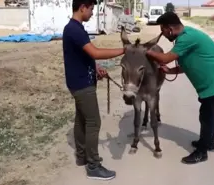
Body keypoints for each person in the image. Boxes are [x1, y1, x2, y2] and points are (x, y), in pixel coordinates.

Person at [145, 12, 214, 165]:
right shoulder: (186, 36)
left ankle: (202, 152)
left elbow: (166, 58)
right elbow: (186, 65)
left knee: (206, 116)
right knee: (209, 114)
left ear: (169, 28)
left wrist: (146, 51)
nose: (163, 34)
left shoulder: (187, 38)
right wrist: (170, 71)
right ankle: (208, 143)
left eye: (163, 30)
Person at [62, 0, 124, 180]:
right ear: (82, 7)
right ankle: (93, 166)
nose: (92, 13)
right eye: (91, 9)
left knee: (81, 120)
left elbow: (84, 55)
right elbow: (95, 52)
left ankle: (82, 157)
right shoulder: (74, 29)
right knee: (93, 122)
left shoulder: (76, 28)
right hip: (82, 85)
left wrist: (96, 69)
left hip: (79, 81)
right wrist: (123, 50)